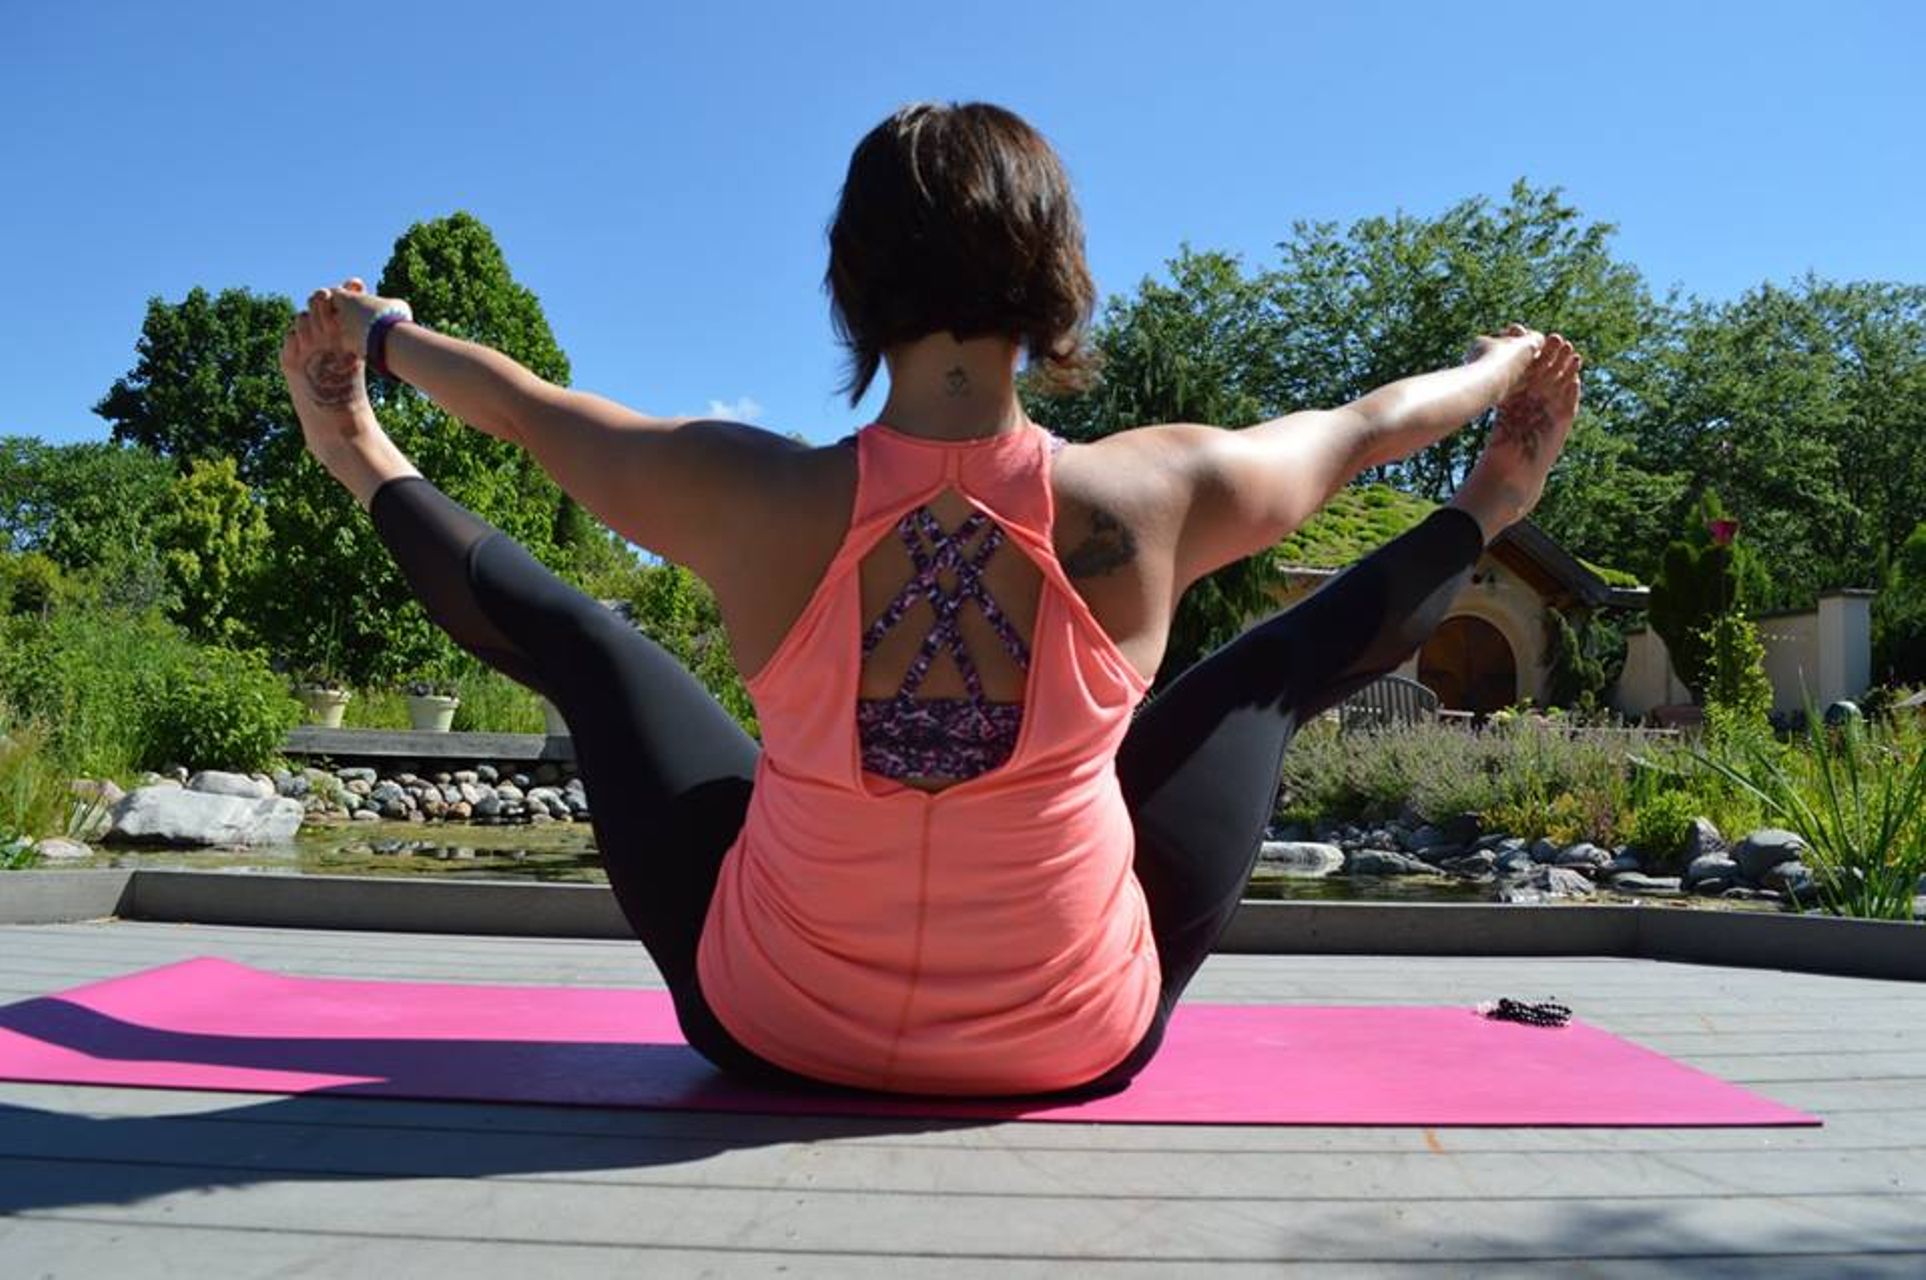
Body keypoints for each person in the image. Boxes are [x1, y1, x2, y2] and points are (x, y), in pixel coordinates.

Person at [280, 101, 1581, 1099]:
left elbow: (526, 409)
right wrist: (1496, 375)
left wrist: (380, 340)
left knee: (588, 647)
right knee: (1268, 671)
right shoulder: (1157, 493)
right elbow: (1362, 427)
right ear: (1056, 274)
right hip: (1068, 1040)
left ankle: (355, 457)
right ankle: (1488, 518)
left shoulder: (747, 495)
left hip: (773, 1028)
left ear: (850, 279)